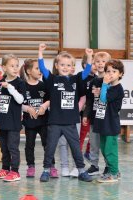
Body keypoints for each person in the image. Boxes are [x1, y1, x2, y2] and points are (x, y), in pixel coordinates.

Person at [38, 43, 93, 182]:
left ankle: (81, 170)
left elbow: (87, 71)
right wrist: (40, 52)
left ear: (73, 67)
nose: (65, 67)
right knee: (50, 148)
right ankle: (46, 170)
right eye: (62, 64)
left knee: (76, 148)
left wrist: (89, 56)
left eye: (68, 65)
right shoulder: (52, 80)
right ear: (57, 66)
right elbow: (43, 69)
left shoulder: (76, 79)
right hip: (55, 122)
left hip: (70, 122)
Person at [19, 59, 58, 178]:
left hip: (44, 121)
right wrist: (27, 109)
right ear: (29, 71)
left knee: (48, 144)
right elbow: (17, 102)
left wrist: (45, 106)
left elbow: (51, 99)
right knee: (29, 145)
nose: (40, 71)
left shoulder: (44, 85)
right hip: (30, 122)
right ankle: (31, 166)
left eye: (40, 69)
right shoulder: (22, 86)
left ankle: (51, 166)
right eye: (37, 68)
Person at [0, 54, 25, 182]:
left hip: (14, 122)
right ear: (4, 67)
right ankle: (5, 168)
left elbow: (20, 99)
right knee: (3, 147)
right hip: (2, 121)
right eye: (12, 66)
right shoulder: (0, 82)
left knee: (12, 147)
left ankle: (15, 171)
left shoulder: (19, 83)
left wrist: (10, 88)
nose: (15, 68)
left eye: (17, 66)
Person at [92, 59, 124, 183]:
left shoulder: (117, 89)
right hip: (103, 123)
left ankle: (115, 173)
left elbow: (104, 99)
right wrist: (101, 88)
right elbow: (97, 87)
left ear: (120, 74)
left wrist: (104, 85)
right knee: (104, 148)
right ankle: (112, 170)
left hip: (111, 124)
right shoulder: (108, 86)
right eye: (108, 71)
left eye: (114, 71)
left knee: (110, 150)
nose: (110, 74)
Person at [83, 52, 111, 176]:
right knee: (93, 143)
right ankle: (94, 165)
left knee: (105, 145)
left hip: (106, 118)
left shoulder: (111, 80)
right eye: (97, 62)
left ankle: (109, 166)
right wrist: (85, 114)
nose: (100, 64)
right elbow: (89, 99)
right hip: (94, 118)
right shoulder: (93, 81)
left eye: (103, 61)